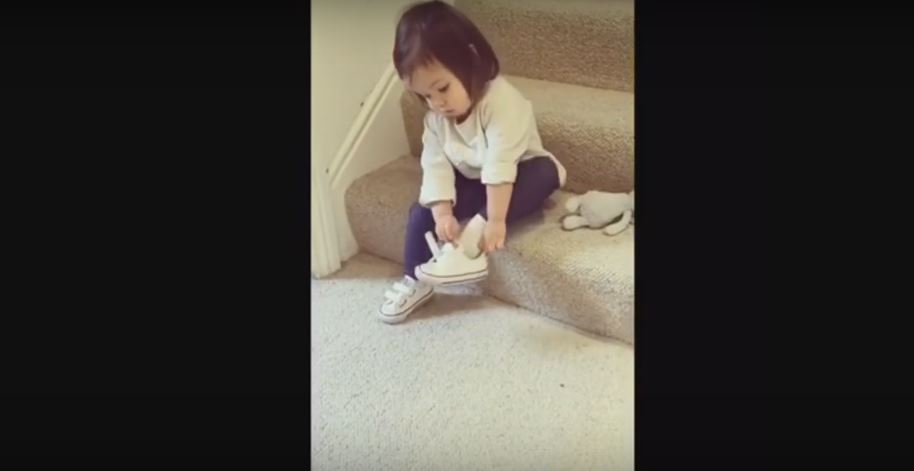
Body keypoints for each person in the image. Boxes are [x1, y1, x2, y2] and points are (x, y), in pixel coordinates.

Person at [379, 0, 567, 324]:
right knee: (421, 209)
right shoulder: (436, 118)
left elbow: (500, 163)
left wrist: (492, 221)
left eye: (442, 88)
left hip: (518, 173)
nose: (436, 103)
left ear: (471, 59)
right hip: (474, 178)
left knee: (545, 172)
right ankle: (415, 280)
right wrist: (442, 212)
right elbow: (435, 164)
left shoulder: (502, 101)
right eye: (425, 96)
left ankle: (475, 237)